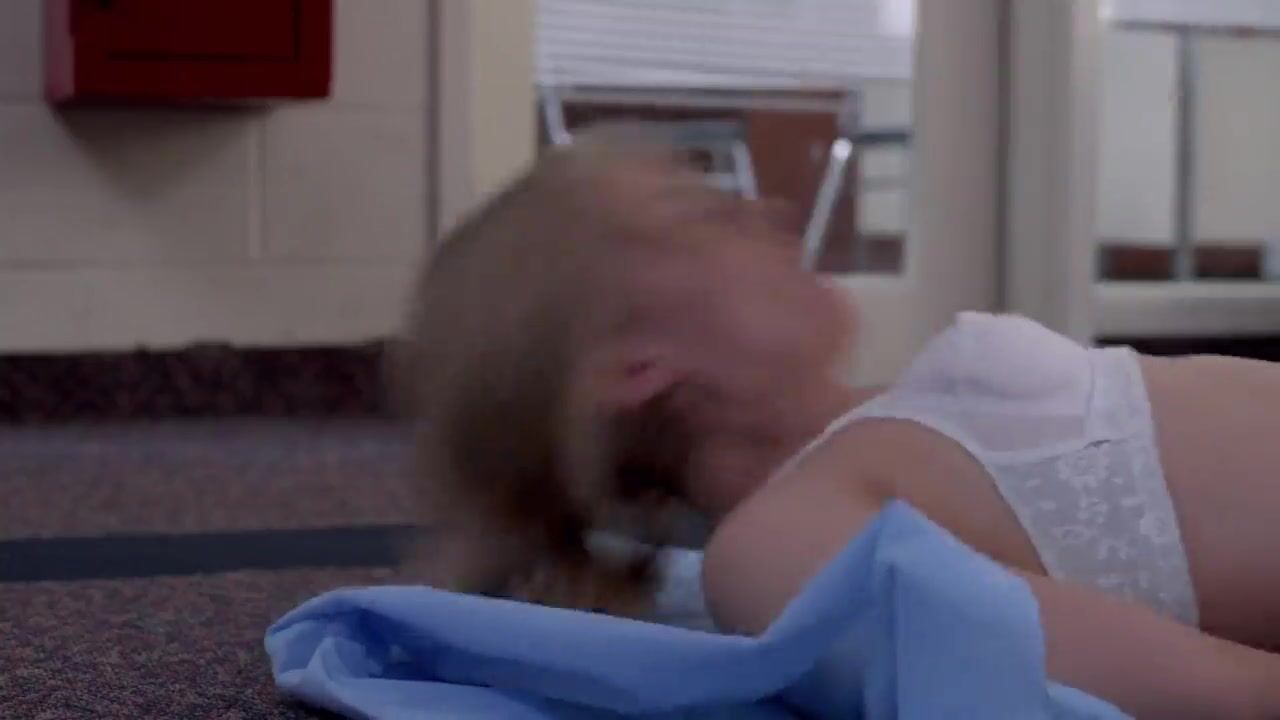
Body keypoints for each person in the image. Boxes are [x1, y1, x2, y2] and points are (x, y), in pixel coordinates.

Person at [394, 127, 1280, 718]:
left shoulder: (895, 416)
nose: (769, 212)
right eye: (706, 214)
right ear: (636, 366)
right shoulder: (779, 544)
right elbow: (1219, 694)